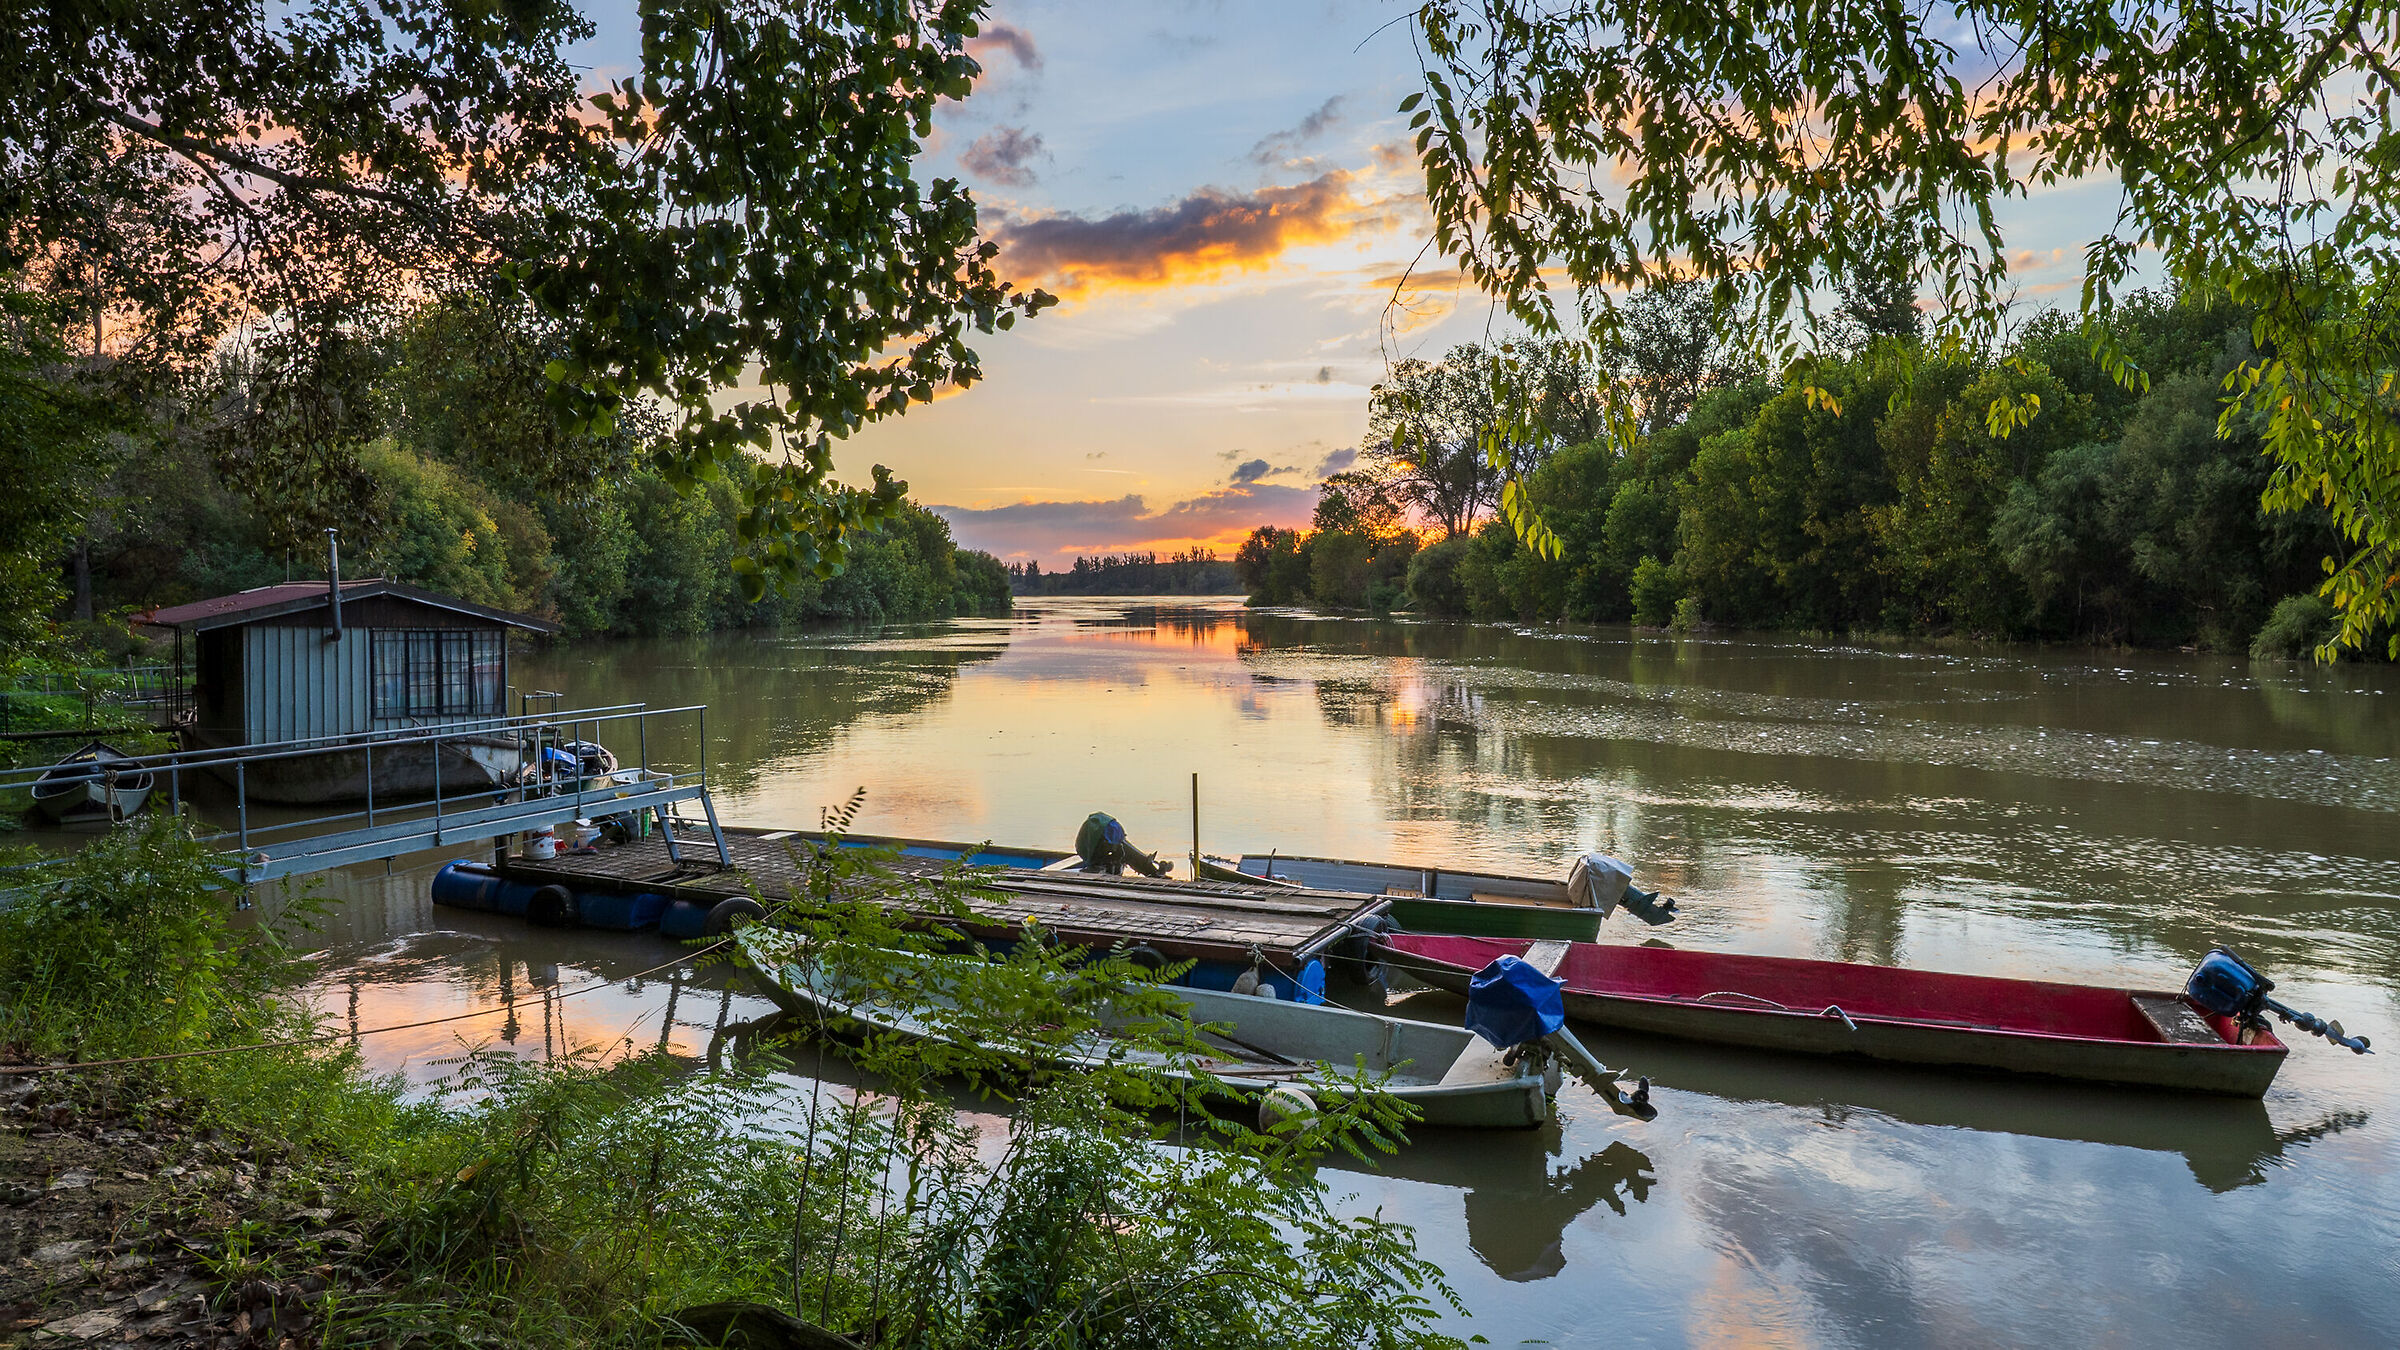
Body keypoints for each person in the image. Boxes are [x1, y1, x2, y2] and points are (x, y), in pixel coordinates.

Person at [1074, 811, 1172, 877]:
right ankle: (1152, 870)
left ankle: (1151, 870)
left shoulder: (1107, 833)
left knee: (1127, 852)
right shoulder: (1094, 841)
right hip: (1095, 852)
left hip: (1101, 842)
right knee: (1126, 852)